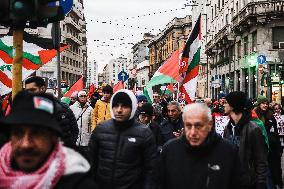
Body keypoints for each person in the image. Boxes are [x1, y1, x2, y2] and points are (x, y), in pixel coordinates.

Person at [0, 91, 97, 189]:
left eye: (37, 133)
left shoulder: (78, 182)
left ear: (53, 138)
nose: (26, 144)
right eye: (18, 133)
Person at [159, 103, 241, 189]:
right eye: (188, 126)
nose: (193, 132)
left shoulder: (228, 151)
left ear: (210, 125)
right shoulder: (170, 150)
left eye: (198, 126)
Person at [88, 89, 158, 189]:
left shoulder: (144, 133)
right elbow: (91, 163)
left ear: (132, 107)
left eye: (124, 106)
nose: (119, 110)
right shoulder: (101, 129)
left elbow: (151, 171)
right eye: (116, 106)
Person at [223, 91, 268, 189]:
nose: (223, 104)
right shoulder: (228, 128)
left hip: (248, 182)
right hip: (231, 181)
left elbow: (261, 159)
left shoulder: (253, 128)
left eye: (226, 102)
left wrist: (261, 183)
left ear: (233, 106)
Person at [24, 76, 79, 148]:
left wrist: (66, 148)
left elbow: (74, 130)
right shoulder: (25, 110)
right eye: (27, 91)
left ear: (43, 89)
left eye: (33, 90)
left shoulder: (63, 109)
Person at [254, 96, 283, 189]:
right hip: (259, 147)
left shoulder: (270, 115)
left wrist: (278, 146)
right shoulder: (254, 116)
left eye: (266, 103)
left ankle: (276, 184)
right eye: (263, 103)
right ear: (259, 104)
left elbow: (276, 132)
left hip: (271, 146)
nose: (265, 105)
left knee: (273, 168)